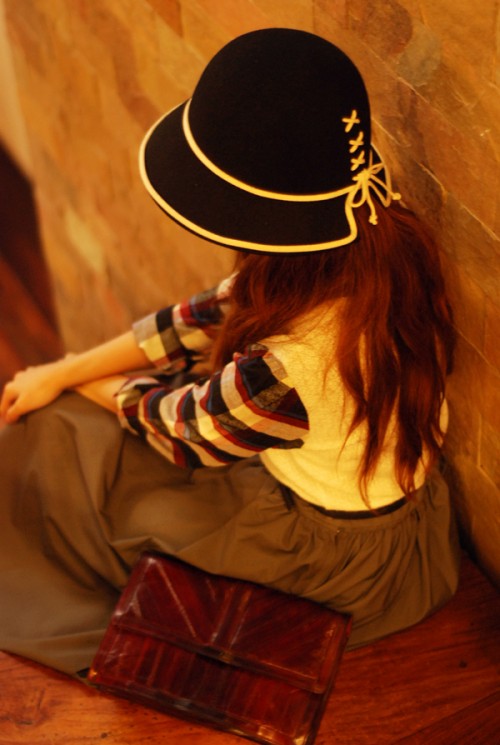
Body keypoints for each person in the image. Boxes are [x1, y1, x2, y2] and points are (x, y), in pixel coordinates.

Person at [0, 28, 460, 677]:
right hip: (382, 501)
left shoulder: (290, 367)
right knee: (75, 428)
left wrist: (72, 387)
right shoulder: (378, 243)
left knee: (95, 476)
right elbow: (197, 316)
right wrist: (65, 368)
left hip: (333, 555)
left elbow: (180, 430)